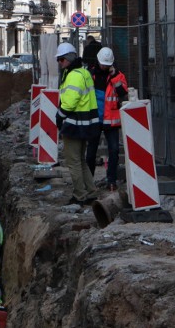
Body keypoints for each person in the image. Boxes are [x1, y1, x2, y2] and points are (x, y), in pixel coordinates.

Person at [55, 42, 100, 206]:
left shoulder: (73, 75)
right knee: (81, 160)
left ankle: (79, 195)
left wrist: (59, 116)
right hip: (86, 123)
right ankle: (91, 192)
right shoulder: (84, 72)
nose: (59, 63)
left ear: (68, 59)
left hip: (74, 125)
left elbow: (69, 102)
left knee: (73, 162)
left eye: (61, 60)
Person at [85, 47, 128, 192]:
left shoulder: (118, 76)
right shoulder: (90, 74)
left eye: (107, 64)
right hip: (95, 119)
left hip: (111, 121)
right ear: (98, 61)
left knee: (114, 151)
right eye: (103, 64)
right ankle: (88, 181)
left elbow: (122, 93)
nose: (104, 67)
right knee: (91, 152)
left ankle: (111, 181)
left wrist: (115, 77)